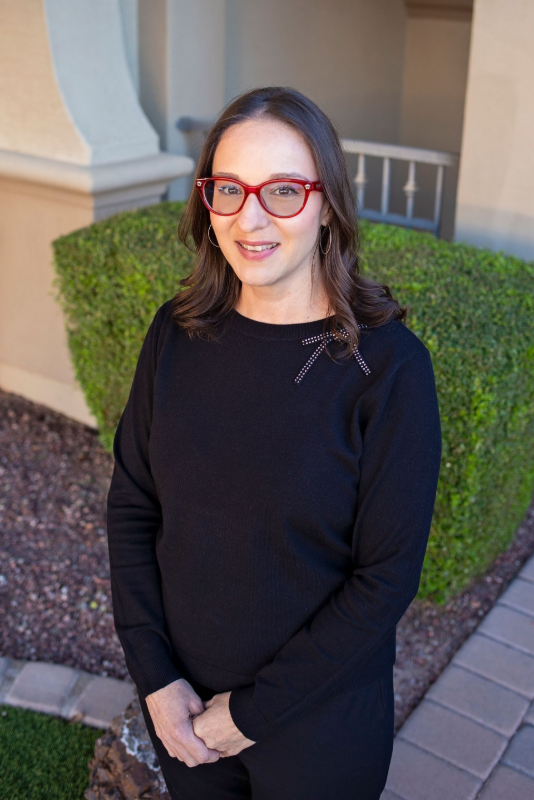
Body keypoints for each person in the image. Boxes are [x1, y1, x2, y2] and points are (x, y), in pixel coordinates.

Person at [106, 85, 442, 800]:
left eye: (282, 191)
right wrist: (156, 677)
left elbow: (383, 580)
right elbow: (134, 508)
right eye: (228, 189)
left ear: (327, 204)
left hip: (320, 729)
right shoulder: (176, 334)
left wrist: (251, 714)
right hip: (187, 710)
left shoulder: (385, 369)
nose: (249, 219)